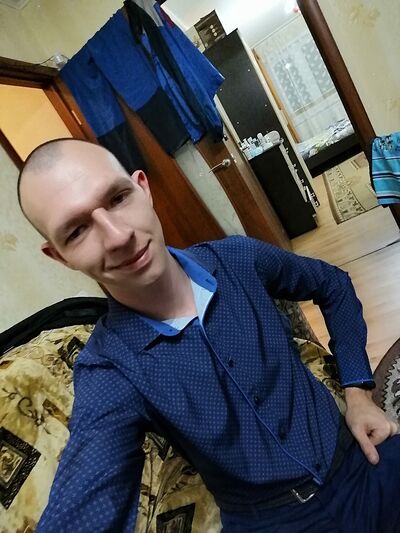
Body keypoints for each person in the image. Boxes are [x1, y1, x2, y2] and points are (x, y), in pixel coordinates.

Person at [18, 138, 399, 533]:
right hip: (272, 522)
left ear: (143, 188)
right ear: (59, 255)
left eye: (117, 198)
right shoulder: (110, 370)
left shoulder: (238, 257)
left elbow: (332, 285)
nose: (116, 236)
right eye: (77, 230)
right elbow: (88, 498)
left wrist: (358, 392)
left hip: (361, 459)